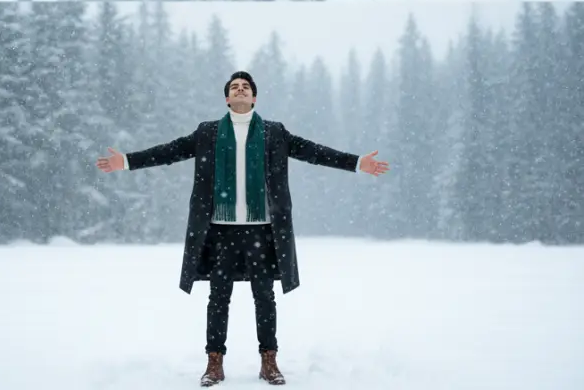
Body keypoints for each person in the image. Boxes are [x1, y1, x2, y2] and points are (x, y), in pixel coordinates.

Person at [96, 71, 389, 385]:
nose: (239, 89)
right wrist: (125, 161)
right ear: (227, 98)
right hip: (220, 232)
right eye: (234, 87)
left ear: (253, 98)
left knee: (264, 297)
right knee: (218, 298)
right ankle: (214, 363)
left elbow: (314, 152)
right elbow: (169, 151)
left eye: (245, 87)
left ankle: (269, 362)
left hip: (261, 231)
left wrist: (358, 163)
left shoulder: (275, 133)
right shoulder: (207, 133)